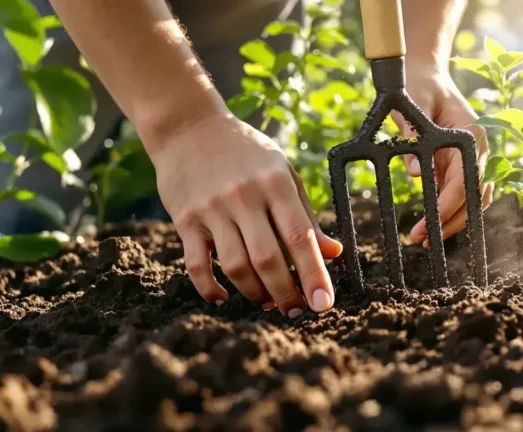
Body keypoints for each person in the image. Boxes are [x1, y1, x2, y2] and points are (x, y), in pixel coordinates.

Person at [1, 0, 491, 317]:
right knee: (17, 213)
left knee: (237, 223)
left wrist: (422, 56)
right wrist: (182, 124)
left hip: (254, 13)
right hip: (80, 15)